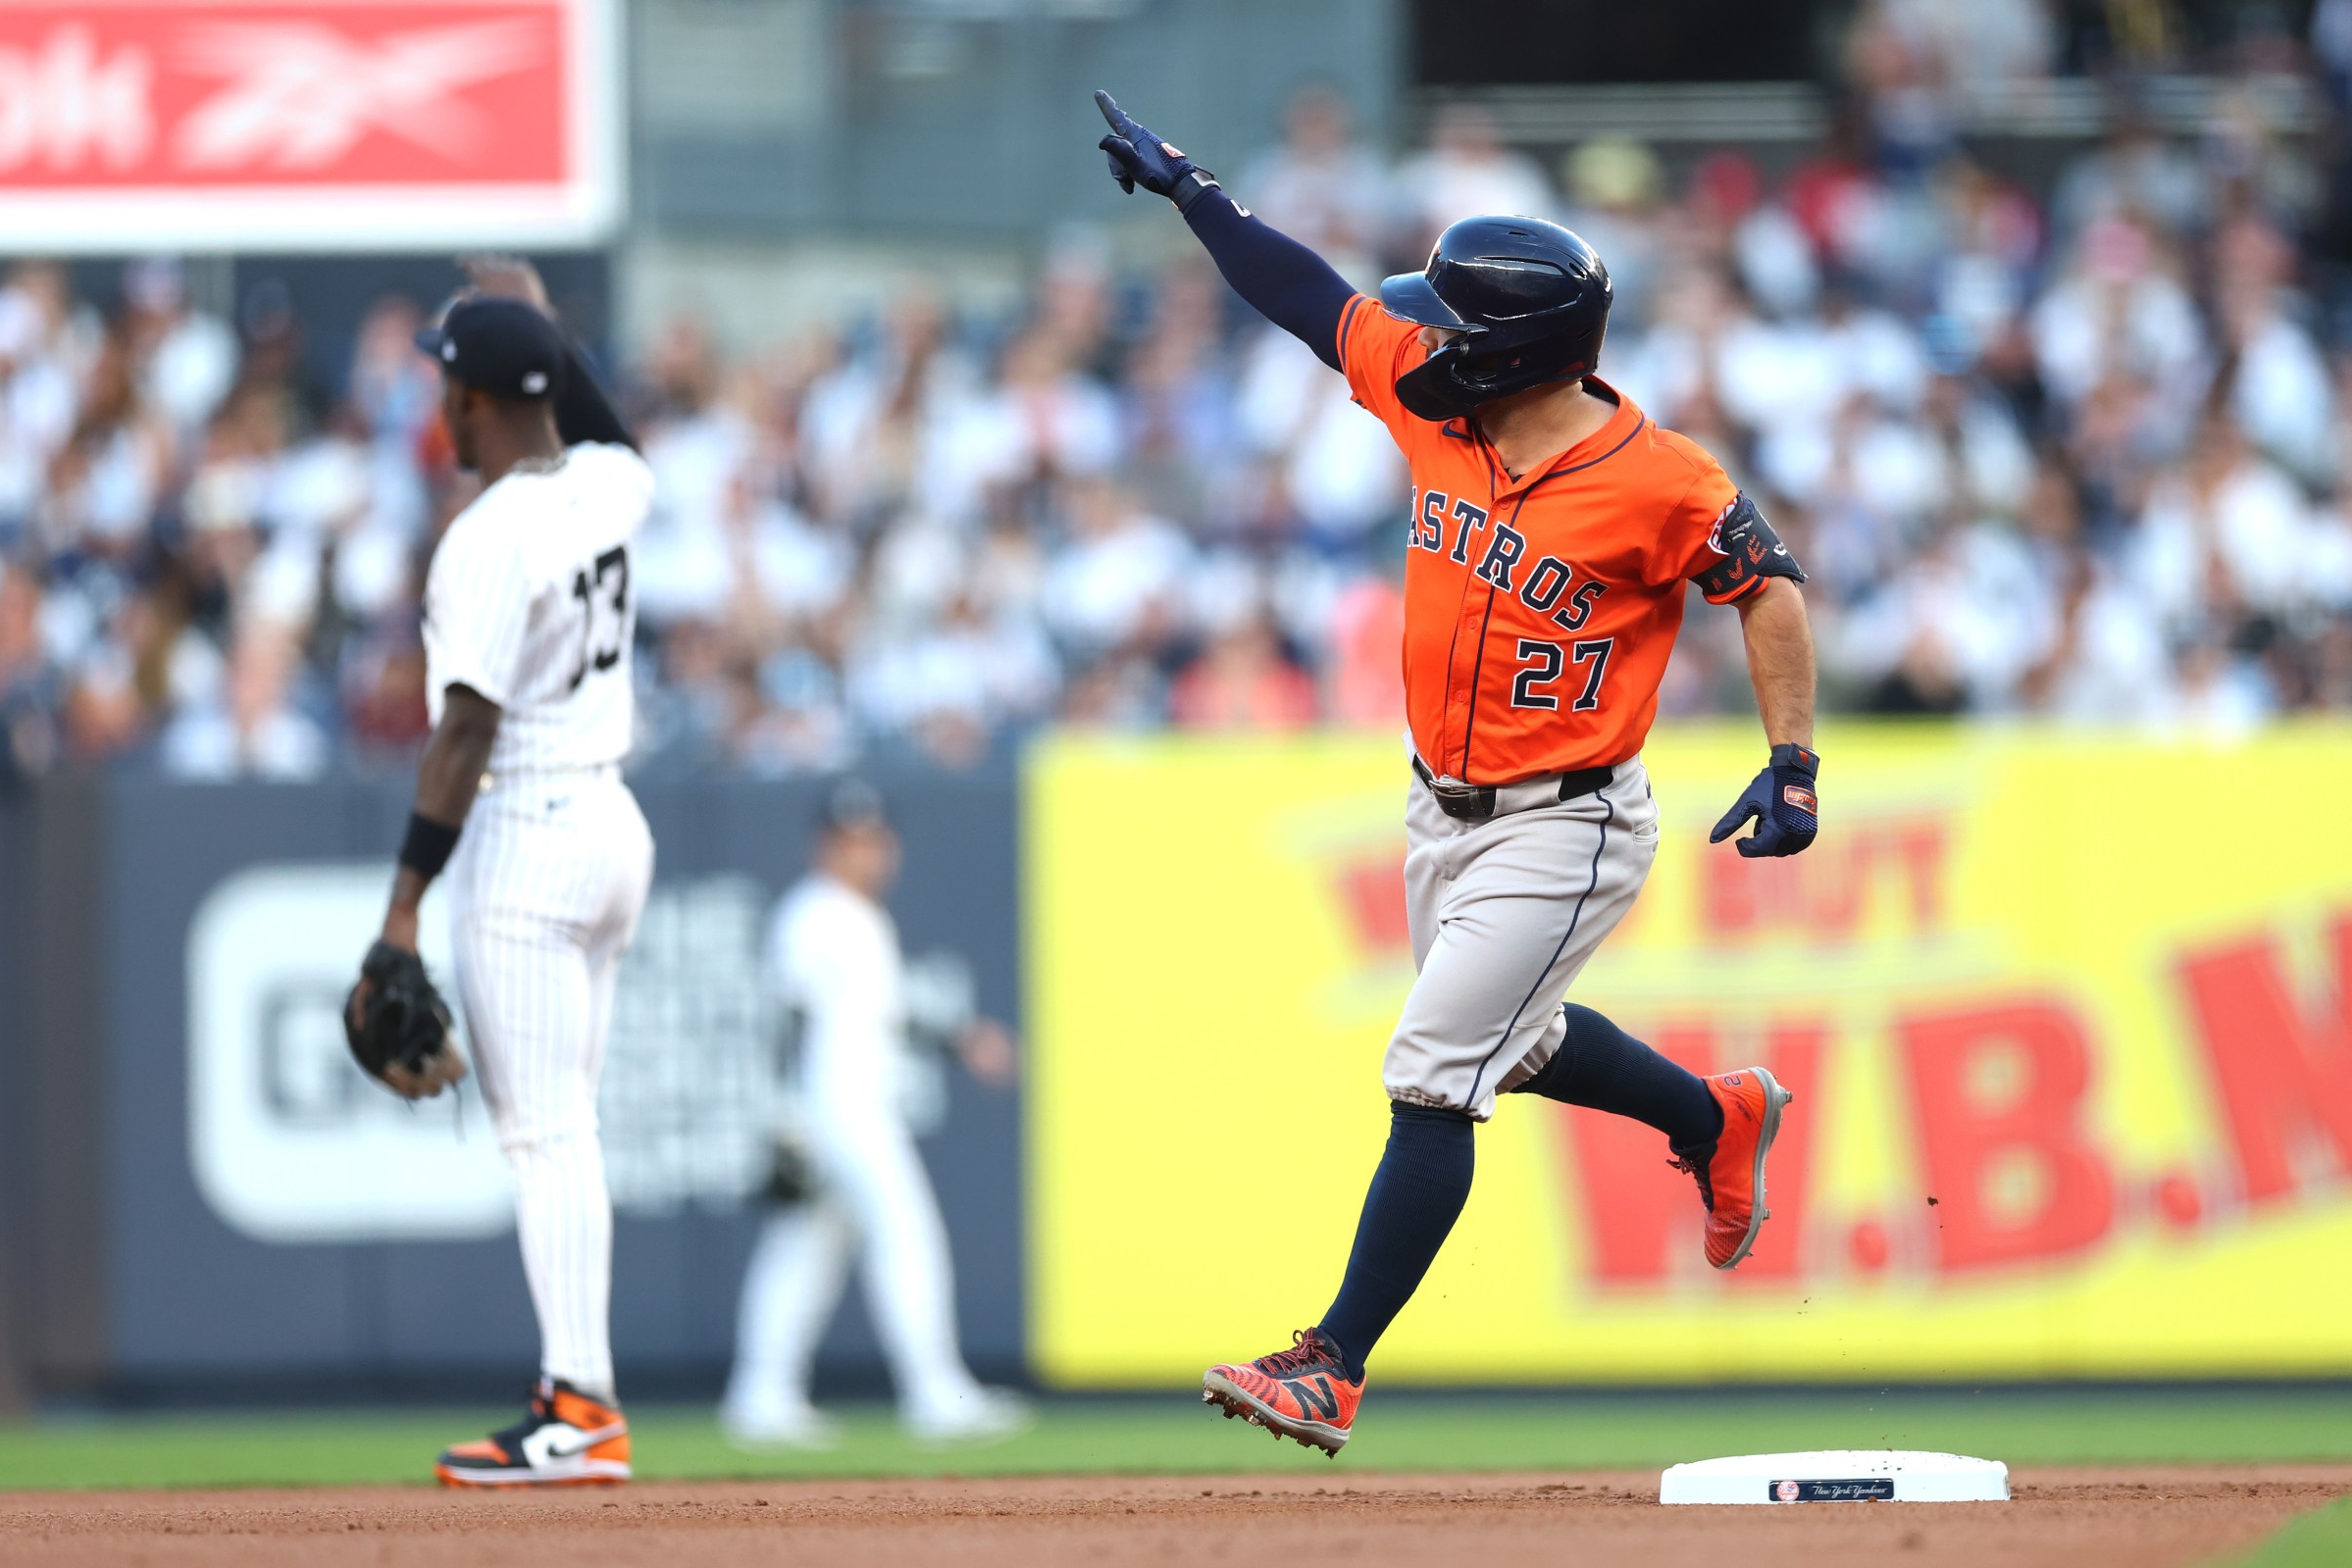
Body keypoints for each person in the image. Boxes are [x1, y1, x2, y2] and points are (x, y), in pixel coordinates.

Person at [1093, 92, 1816, 1454]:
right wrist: (1196, 194)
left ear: (1520, 351)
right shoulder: (1442, 409)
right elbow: (1310, 299)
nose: (1426, 334)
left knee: (1433, 1069)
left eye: (1457, 323)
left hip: (1572, 820)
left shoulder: (1660, 479)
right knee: (1518, 1043)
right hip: (1442, 803)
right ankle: (1715, 1115)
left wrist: (1794, 761)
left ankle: (1332, 1362)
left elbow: (1766, 588)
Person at [353, 280, 657, 1486]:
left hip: (530, 835)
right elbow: (614, 433)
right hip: (612, 825)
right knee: (563, 1129)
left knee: (544, 1135)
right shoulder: (607, 486)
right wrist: (543, 334)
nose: (439, 391)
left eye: (447, 375)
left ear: (466, 397)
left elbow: (463, 734)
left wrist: (397, 918)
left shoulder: (483, 538)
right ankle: (575, 1399)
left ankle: (579, 1410)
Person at [721, 780, 1029, 1447]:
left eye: (873, 840)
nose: (865, 853)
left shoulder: (860, 917)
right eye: (849, 840)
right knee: (906, 1232)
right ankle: (935, 1391)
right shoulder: (812, 912)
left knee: (805, 1249)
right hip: (836, 1106)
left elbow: (886, 1017)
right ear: (823, 844)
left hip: (849, 1102)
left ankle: (760, 1394)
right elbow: (786, 1019)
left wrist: (962, 1038)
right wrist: (781, 1116)